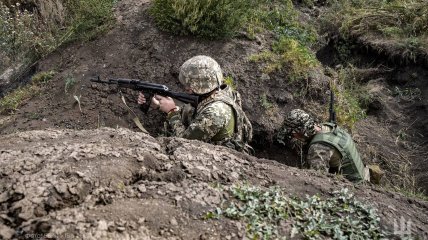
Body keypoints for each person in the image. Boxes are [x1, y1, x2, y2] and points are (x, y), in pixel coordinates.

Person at [138, 55, 253, 153]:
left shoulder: (216, 112)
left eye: (189, 85)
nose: (186, 87)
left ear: (199, 85)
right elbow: (197, 115)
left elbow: (184, 142)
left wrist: (172, 112)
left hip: (220, 161)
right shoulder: (221, 92)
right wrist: (158, 105)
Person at [277, 109, 370, 183]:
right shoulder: (327, 127)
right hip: (363, 173)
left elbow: (319, 182)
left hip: (356, 188)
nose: (293, 136)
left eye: (293, 133)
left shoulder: (318, 149)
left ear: (302, 131)